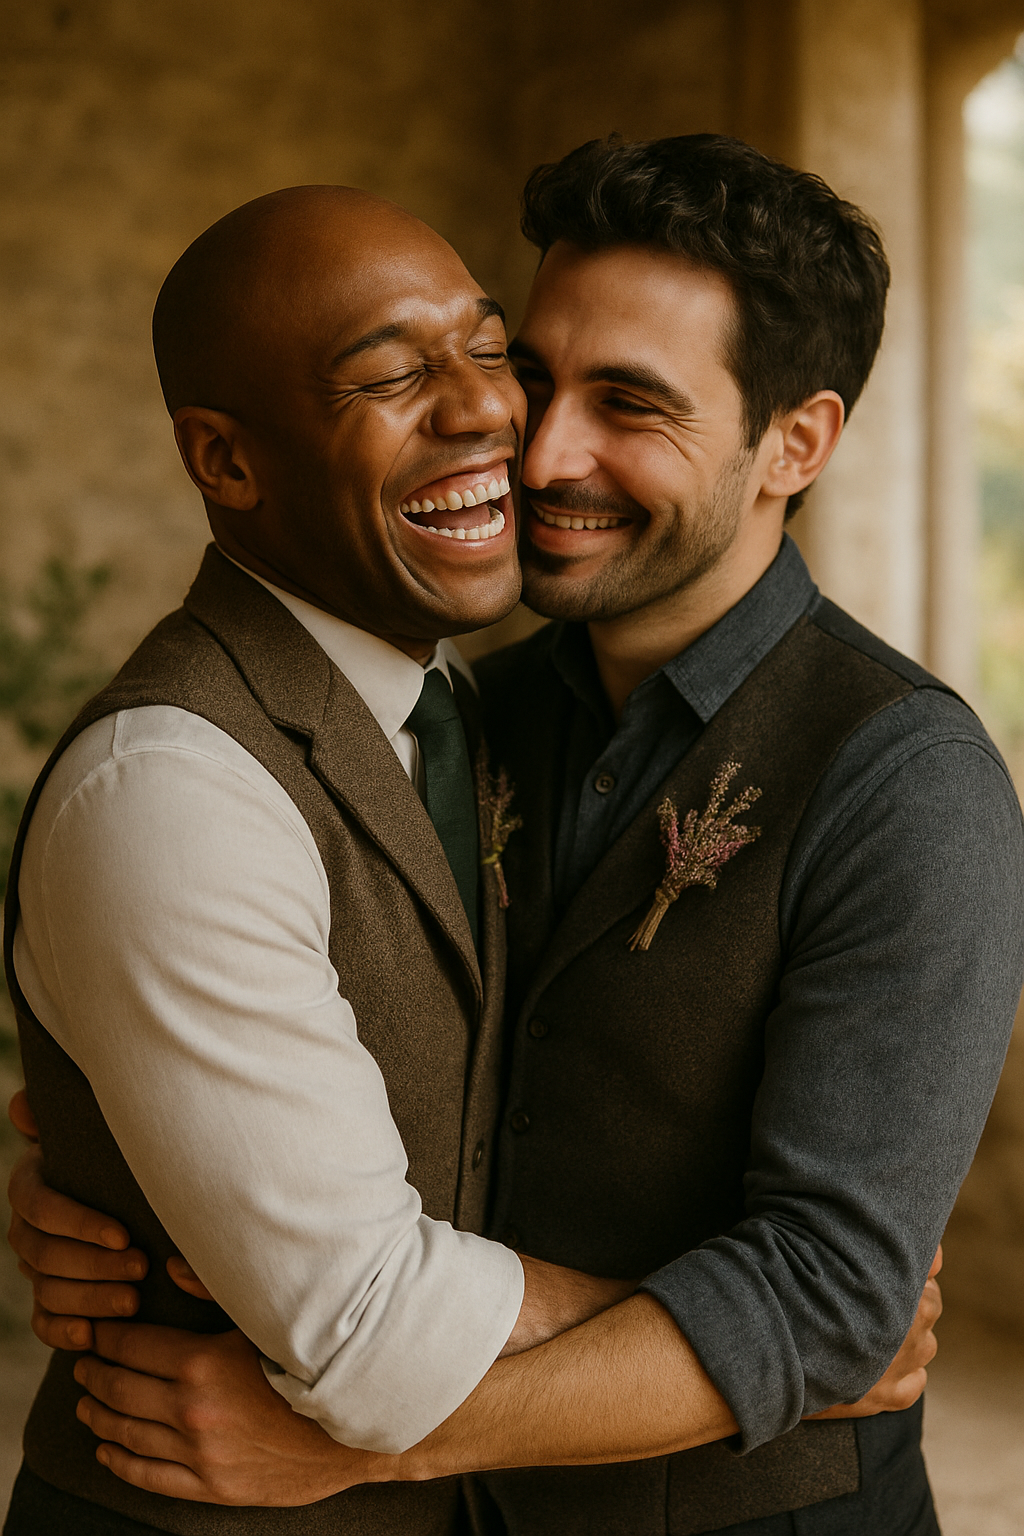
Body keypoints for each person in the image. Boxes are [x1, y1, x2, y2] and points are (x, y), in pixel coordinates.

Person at [10, 135, 1014, 1535]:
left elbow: (837, 1284)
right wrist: (105, 1174)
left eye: (632, 405)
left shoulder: (907, 774)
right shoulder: (465, 706)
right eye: (536, 377)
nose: (535, 448)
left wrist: (372, 1441)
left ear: (798, 442)